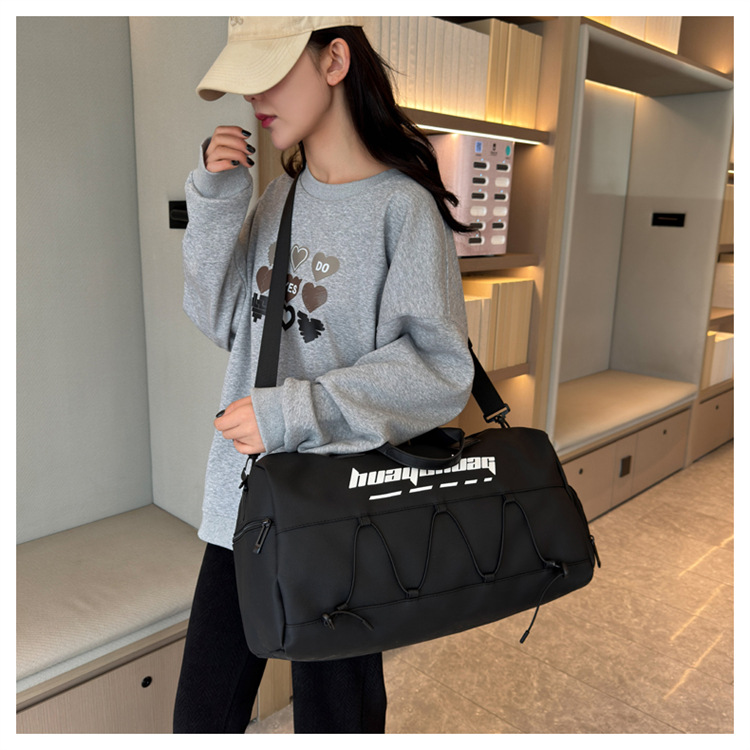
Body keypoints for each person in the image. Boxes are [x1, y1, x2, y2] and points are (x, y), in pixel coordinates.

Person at [174, 16, 475, 734]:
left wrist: (292, 412)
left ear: (334, 60)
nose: (254, 97)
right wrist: (217, 200)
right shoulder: (279, 198)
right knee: (200, 720)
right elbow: (224, 321)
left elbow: (438, 369)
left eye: (271, 72)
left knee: (337, 723)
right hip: (244, 501)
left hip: (345, 516)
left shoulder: (402, 210)